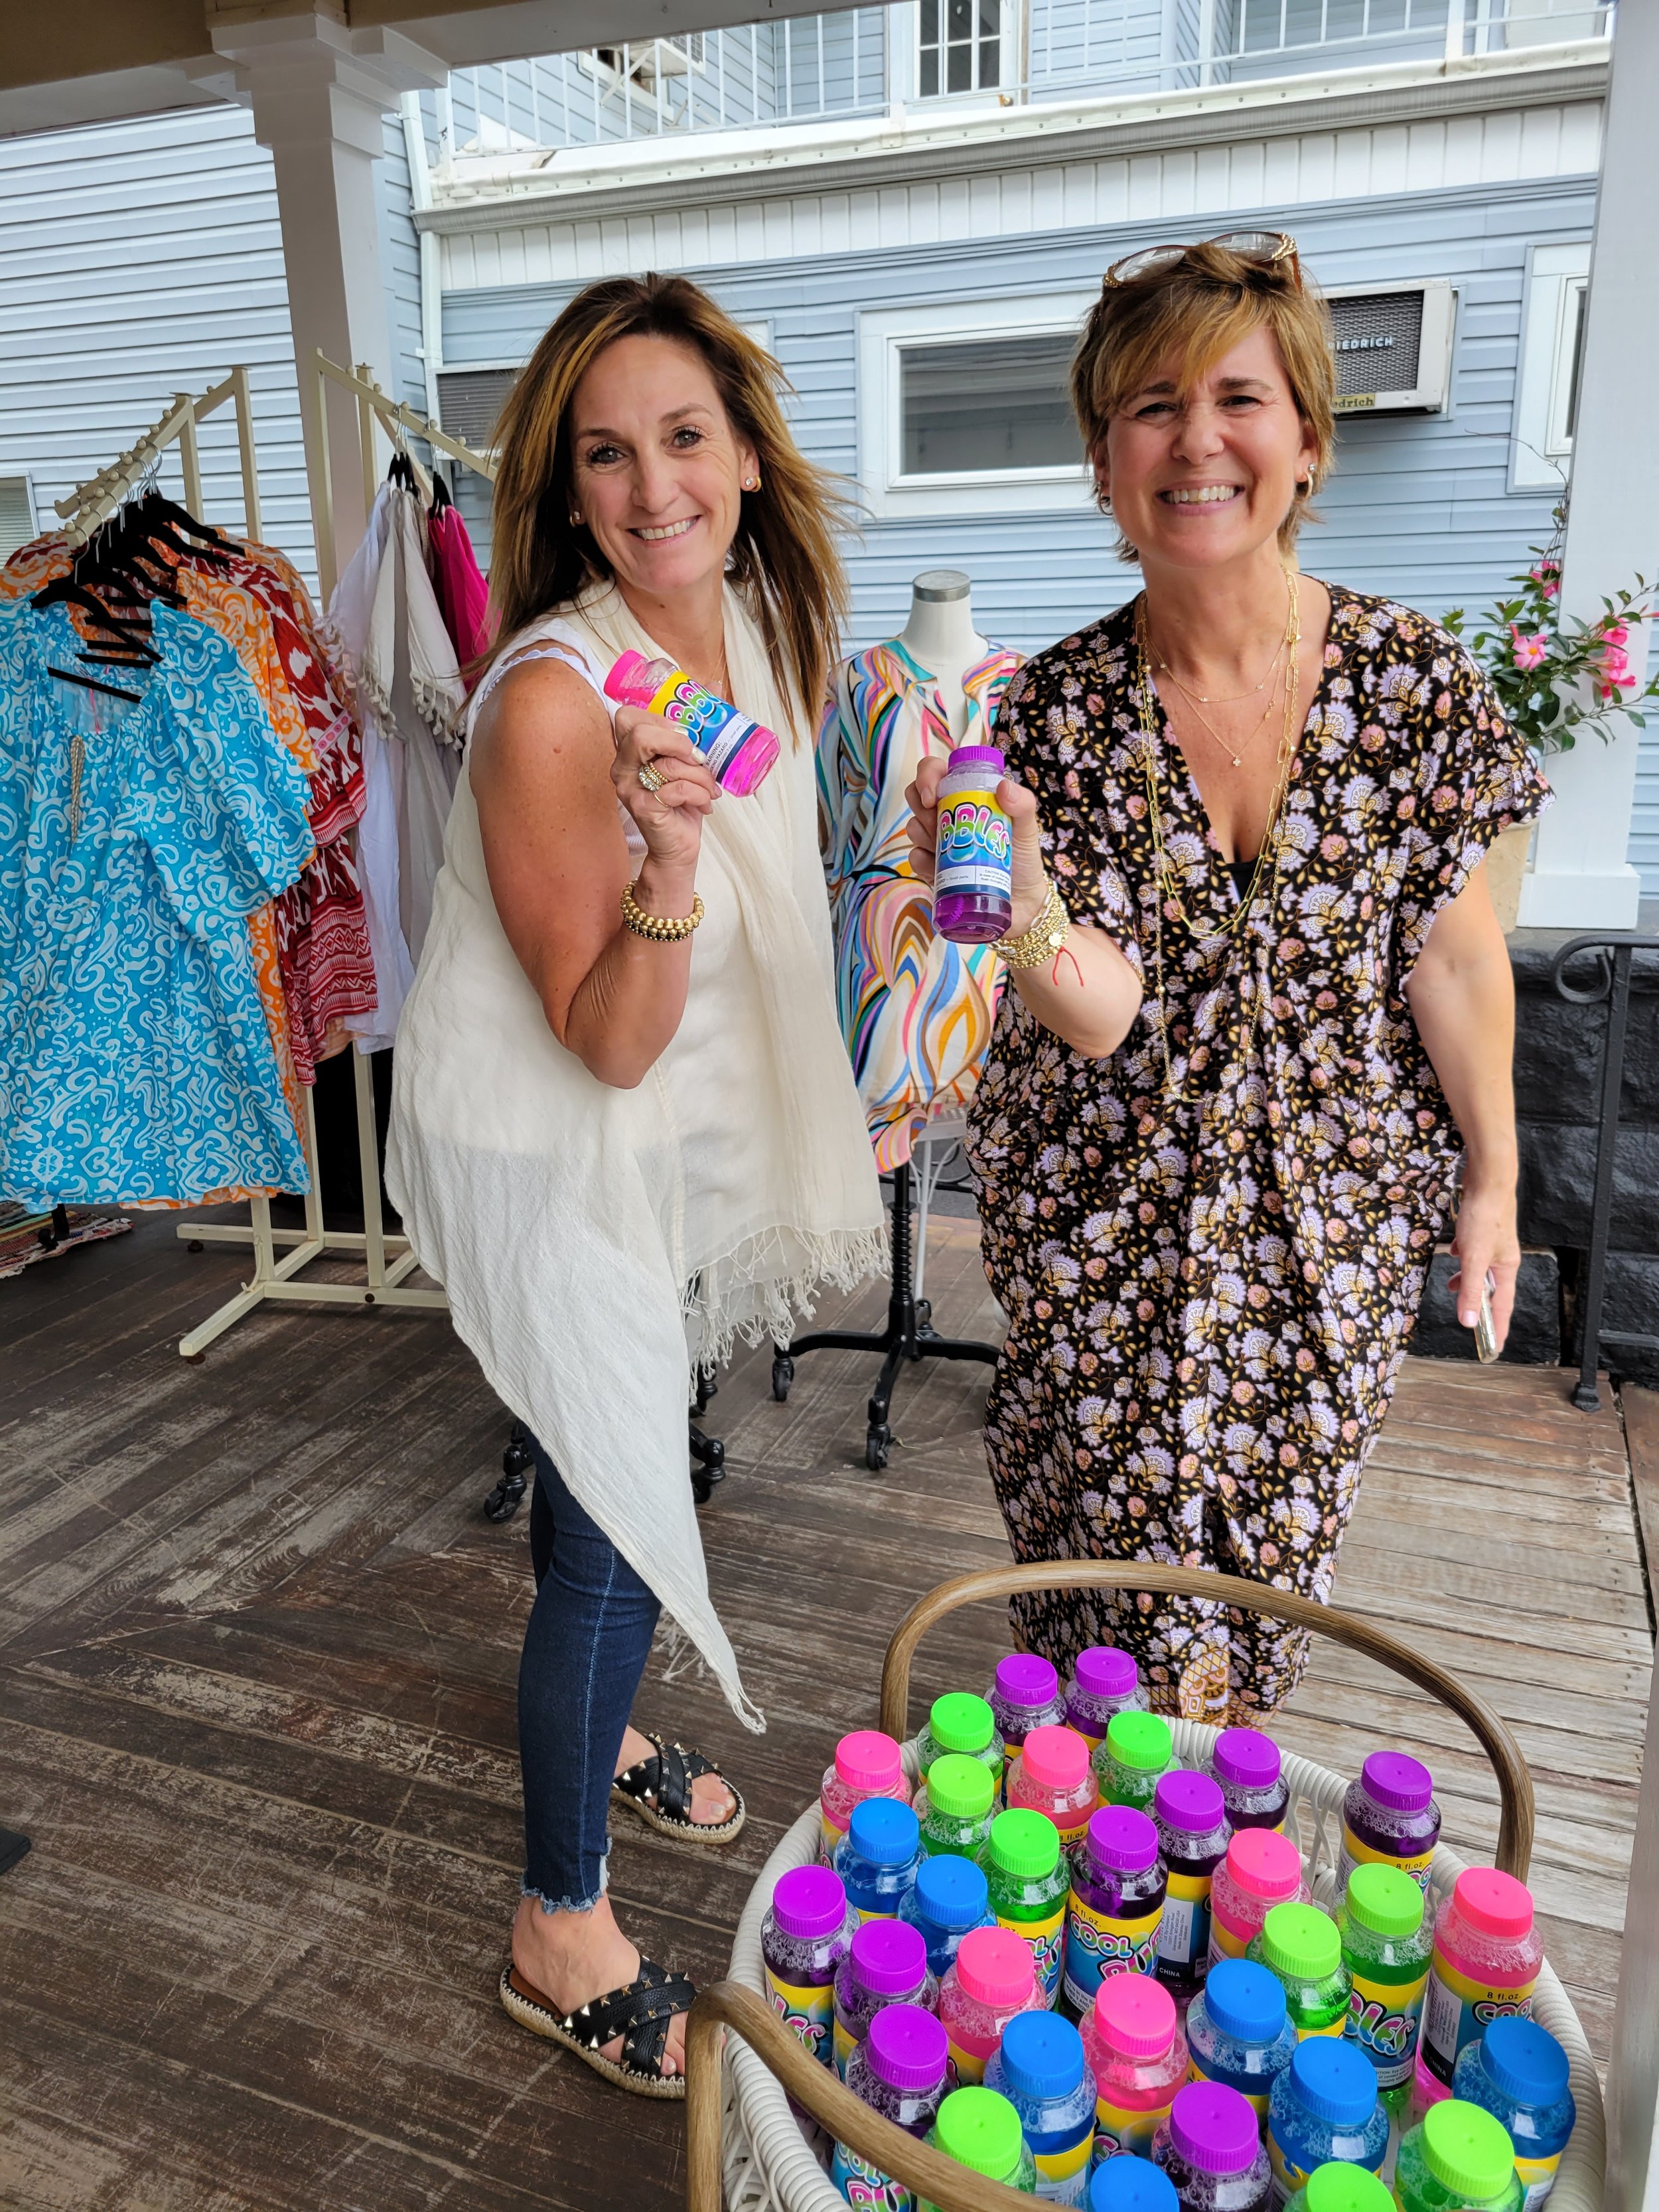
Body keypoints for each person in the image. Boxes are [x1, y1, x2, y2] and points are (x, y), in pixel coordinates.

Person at [905, 233, 1546, 1724]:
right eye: (1151, 406)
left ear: (1307, 439)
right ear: (1102, 458)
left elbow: (1454, 958)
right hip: (1099, 1222)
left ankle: (1196, 1803)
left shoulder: (1408, 682)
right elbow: (1102, 1011)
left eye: (1238, 399)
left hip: (1332, 1227)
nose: (1196, 440)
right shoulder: (1048, 713)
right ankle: (1095, 1811)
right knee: (1095, 1590)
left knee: (1265, 1588)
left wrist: (1495, 1178)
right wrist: (1018, 906)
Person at [386, 273, 884, 2094]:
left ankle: (590, 1744)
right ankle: (559, 1922)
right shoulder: (551, 699)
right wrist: (665, 857)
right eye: (606, 454)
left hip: (660, 1127)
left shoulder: (757, 621)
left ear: (747, 456)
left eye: (684, 436)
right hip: (560, 1140)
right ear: (567, 488)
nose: (651, 484)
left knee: (616, 1450)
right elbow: (602, 1036)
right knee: (611, 1515)